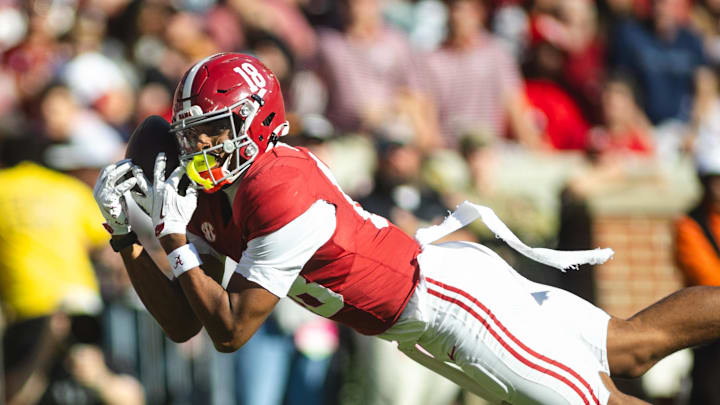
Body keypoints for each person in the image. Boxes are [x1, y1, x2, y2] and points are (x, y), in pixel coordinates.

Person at [93, 53, 720, 405]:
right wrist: (127, 240)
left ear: (260, 122)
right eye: (191, 135)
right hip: (435, 287)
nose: (201, 148)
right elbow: (182, 323)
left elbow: (229, 330)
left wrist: (173, 241)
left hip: (449, 305)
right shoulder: (206, 191)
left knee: (601, 400)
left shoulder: (279, 190)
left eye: (214, 131)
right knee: (633, 346)